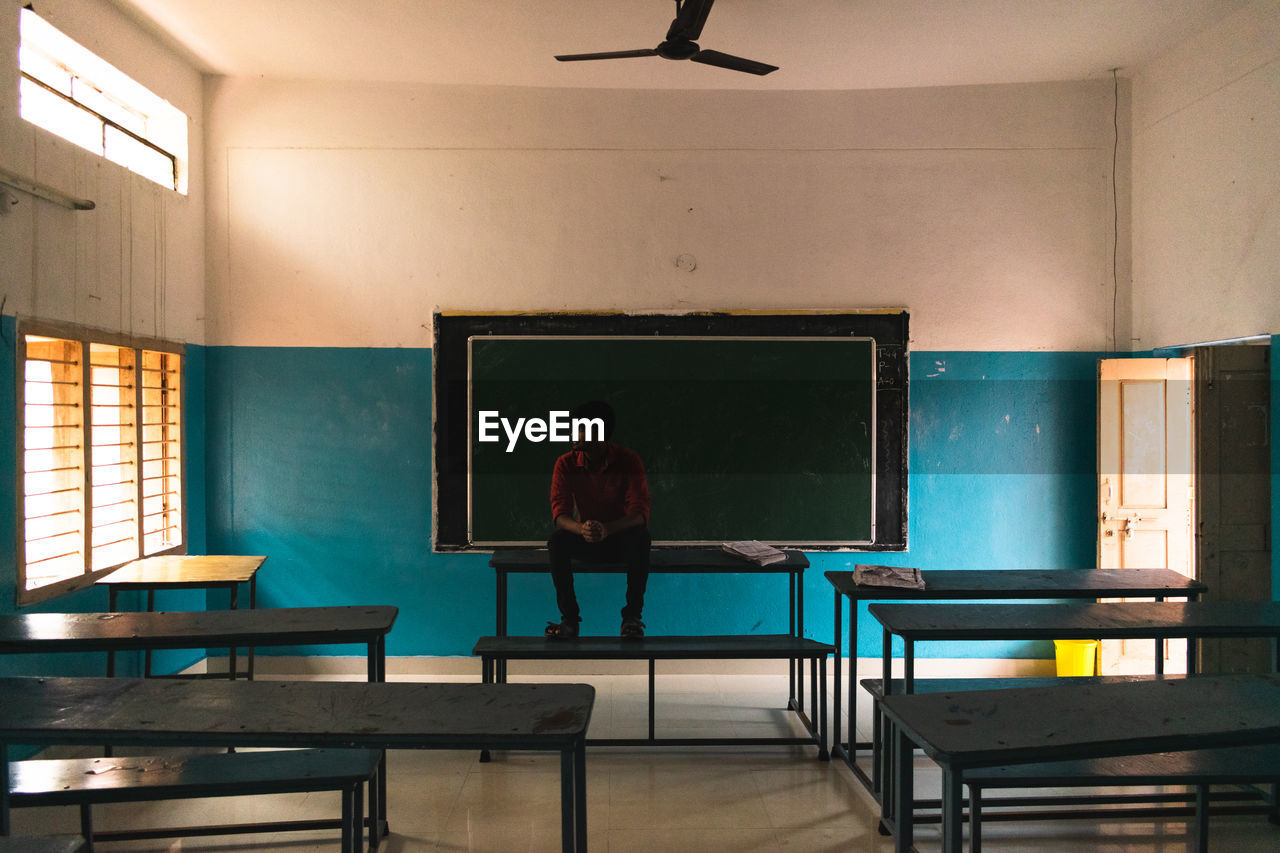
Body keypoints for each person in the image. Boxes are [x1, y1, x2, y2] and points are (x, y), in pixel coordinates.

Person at [546, 400, 651, 640]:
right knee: (557, 542)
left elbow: (639, 513)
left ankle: (631, 619)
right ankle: (569, 621)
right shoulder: (566, 463)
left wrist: (608, 529)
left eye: (579, 428)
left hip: (619, 539)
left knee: (641, 538)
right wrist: (582, 529)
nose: (573, 432)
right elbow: (560, 514)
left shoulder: (628, 461)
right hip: (586, 537)